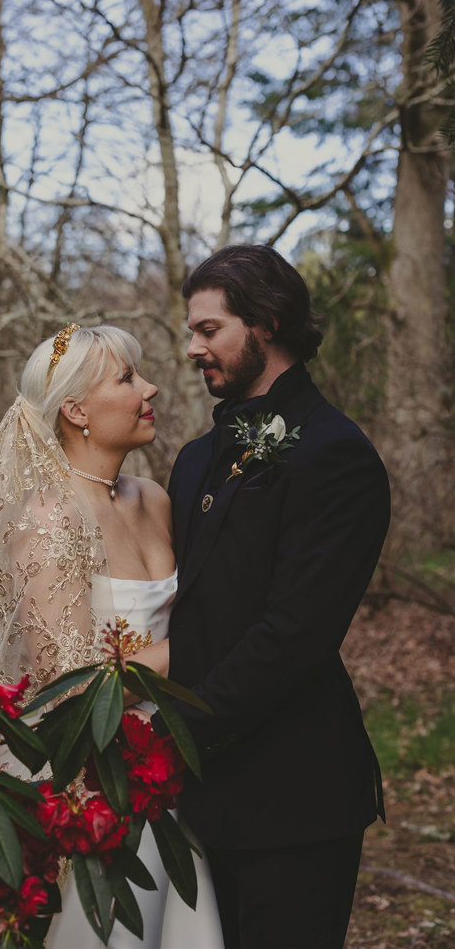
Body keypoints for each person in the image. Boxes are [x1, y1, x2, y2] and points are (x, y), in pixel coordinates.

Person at [151, 244, 391, 949]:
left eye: (208, 329)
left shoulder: (336, 455)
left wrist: (178, 739)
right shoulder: (195, 457)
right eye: (192, 330)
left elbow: (295, 633)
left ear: (267, 322)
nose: (192, 347)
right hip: (192, 804)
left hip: (294, 796)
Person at [0, 323, 224, 949]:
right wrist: (209, 649)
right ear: (76, 410)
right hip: (98, 782)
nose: (150, 387)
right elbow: (74, 689)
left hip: (176, 765)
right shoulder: (46, 522)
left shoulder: (153, 499)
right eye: (128, 378)